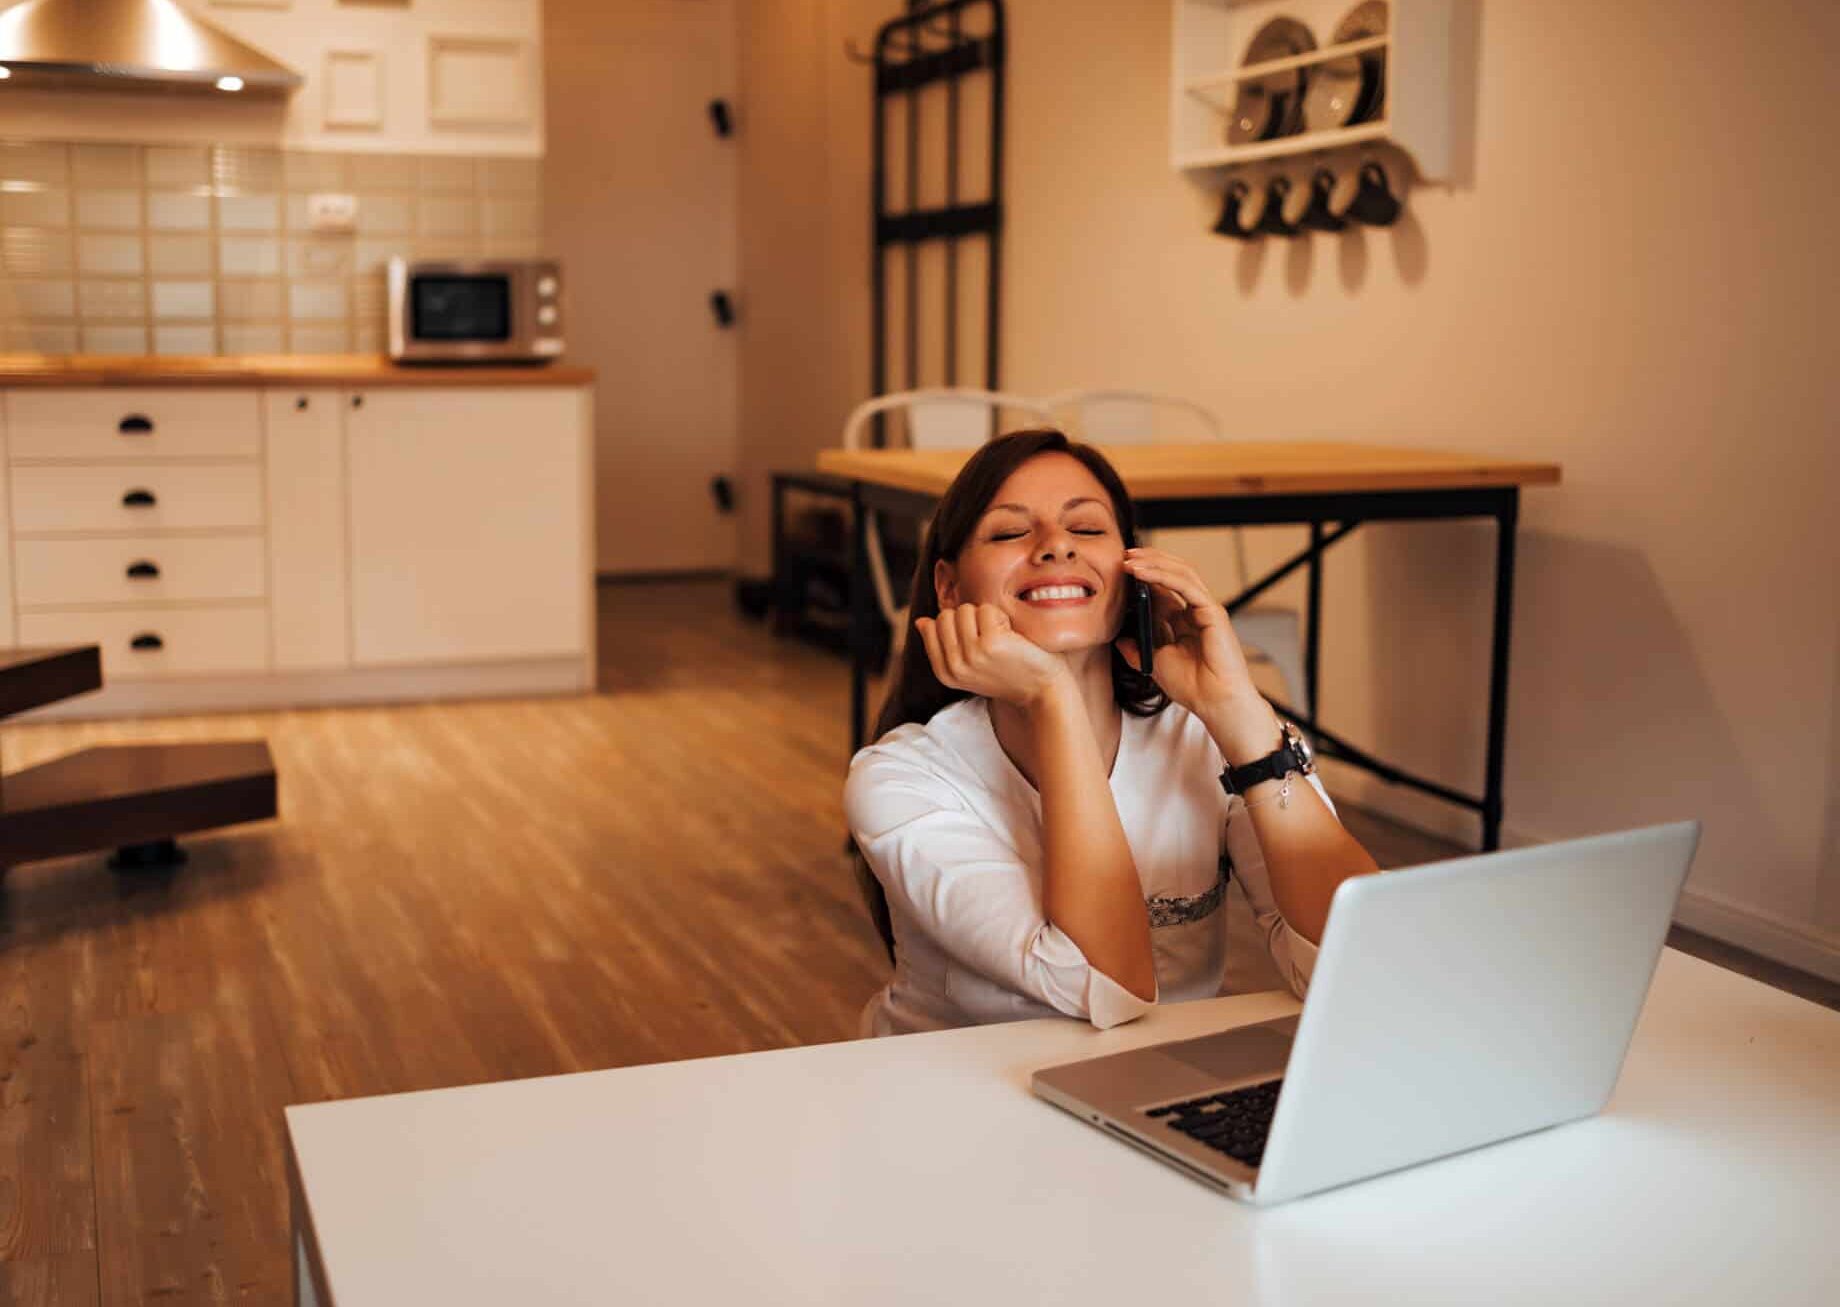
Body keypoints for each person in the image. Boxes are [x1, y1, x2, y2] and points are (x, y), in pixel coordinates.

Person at [845, 429, 1379, 1037]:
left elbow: (1357, 958)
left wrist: (1236, 710)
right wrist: (1053, 697)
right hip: (949, 1098)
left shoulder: (1202, 738)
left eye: (1089, 528)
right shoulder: (900, 777)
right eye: (1010, 531)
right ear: (949, 586)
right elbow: (1109, 986)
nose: (1055, 547)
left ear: (1134, 568)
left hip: (1154, 1087)